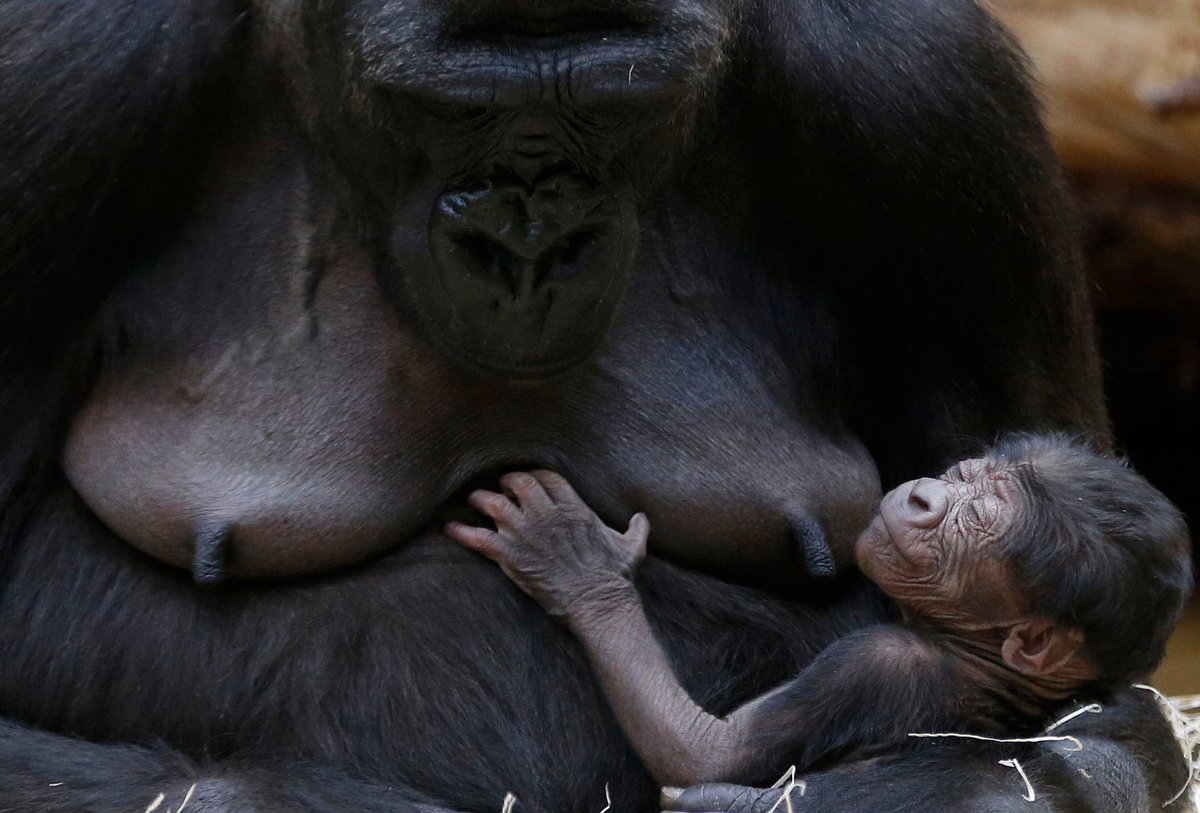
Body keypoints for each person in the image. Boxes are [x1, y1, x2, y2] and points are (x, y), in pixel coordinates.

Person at [445, 434, 1194, 788]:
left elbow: (699, 759)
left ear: (1031, 644)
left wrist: (595, 592)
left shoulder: (894, 666)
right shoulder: (1091, 704)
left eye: (978, 516)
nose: (930, 492)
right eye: (969, 475)